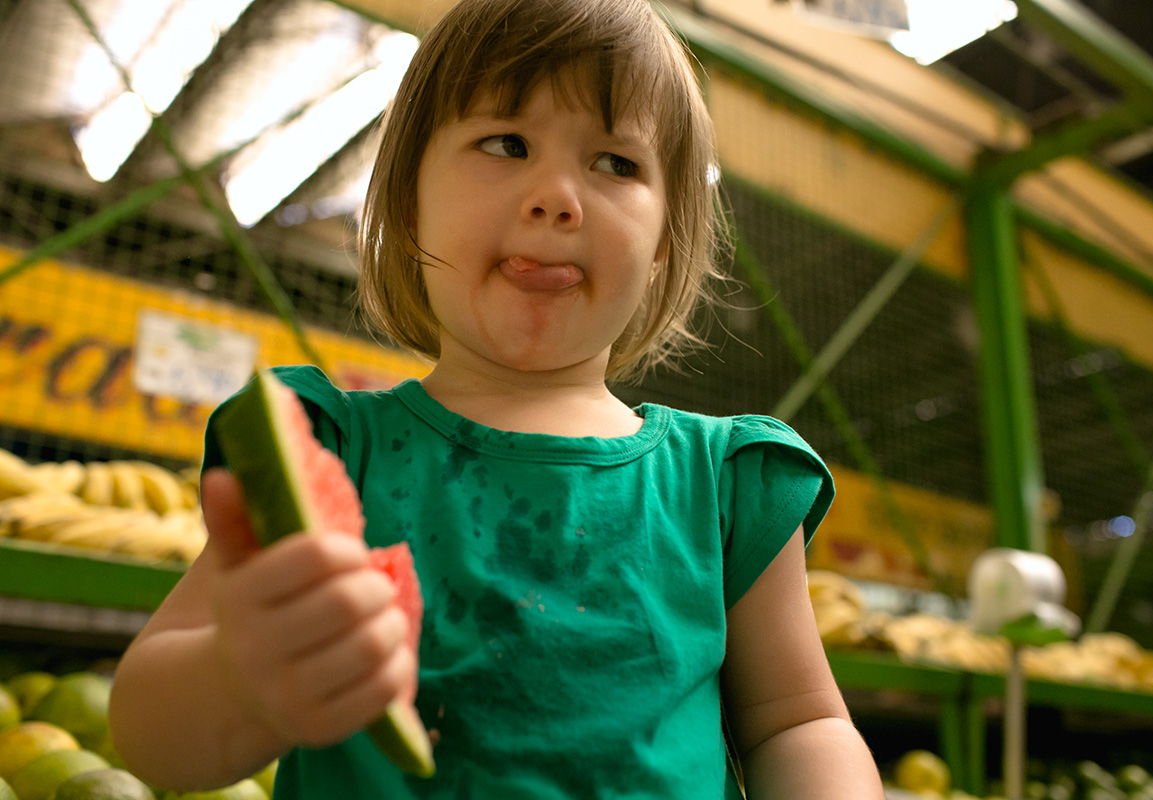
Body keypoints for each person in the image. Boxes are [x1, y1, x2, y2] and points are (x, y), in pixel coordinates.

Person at [109, 0, 887, 797]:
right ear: (409, 199)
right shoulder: (330, 450)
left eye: (616, 163)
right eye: (506, 143)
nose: (557, 196)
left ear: (663, 243)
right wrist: (241, 679)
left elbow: (799, 723)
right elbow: (149, 739)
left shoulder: (726, 485)